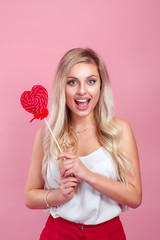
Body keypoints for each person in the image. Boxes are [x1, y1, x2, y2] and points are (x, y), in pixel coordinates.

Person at [24, 48, 142, 240]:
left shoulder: (120, 130)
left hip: (108, 234)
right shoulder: (46, 134)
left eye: (91, 81)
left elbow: (135, 197)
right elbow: (29, 196)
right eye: (72, 82)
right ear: (62, 87)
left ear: (101, 86)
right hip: (57, 233)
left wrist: (87, 175)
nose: (82, 90)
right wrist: (58, 196)